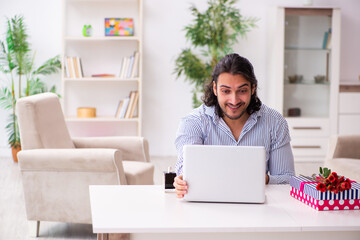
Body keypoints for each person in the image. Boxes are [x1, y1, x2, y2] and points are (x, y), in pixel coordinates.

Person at [173, 53, 295, 198]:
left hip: (258, 209)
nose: (234, 100)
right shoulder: (193, 122)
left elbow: (287, 180)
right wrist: (181, 182)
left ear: (253, 88)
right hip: (208, 206)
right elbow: (184, 173)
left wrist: (264, 179)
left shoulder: (275, 122)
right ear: (215, 88)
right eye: (226, 91)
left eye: (242, 91)